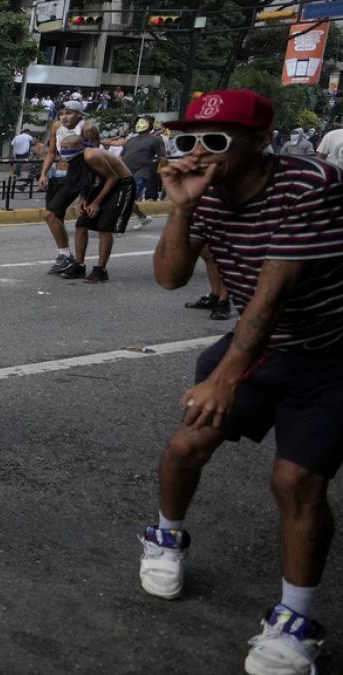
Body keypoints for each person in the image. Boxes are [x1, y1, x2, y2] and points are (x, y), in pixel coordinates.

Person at [140, 89, 343, 675]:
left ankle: (296, 621)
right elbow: (172, 278)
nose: (199, 152)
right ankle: (166, 536)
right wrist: (180, 207)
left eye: (218, 140)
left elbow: (272, 295)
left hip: (329, 353)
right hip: (261, 347)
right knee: (186, 446)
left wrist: (226, 379)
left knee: (297, 480)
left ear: (260, 142)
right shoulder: (204, 195)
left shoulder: (309, 186)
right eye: (190, 140)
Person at [52, 134, 135, 282]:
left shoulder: (91, 156)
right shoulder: (77, 158)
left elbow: (113, 178)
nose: (64, 151)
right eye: (62, 147)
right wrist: (83, 198)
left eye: (67, 148)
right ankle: (79, 265)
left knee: (105, 227)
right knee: (81, 224)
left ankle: (100, 270)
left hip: (121, 184)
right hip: (105, 185)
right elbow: (87, 179)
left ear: (78, 146)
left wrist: (96, 202)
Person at [39, 100, 95, 276]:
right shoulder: (56, 126)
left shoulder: (87, 129)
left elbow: (94, 158)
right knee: (57, 218)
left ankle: (66, 256)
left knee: (50, 214)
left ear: (79, 114)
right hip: (58, 175)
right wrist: (44, 173)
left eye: (69, 113)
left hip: (77, 176)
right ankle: (64, 256)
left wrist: (85, 193)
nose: (64, 117)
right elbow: (51, 153)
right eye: (62, 113)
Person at [104, 116, 166, 230]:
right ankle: (143, 217)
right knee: (125, 198)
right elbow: (121, 157)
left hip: (142, 173)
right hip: (125, 173)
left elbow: (163, 157)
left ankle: (118, 224)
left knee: (127, 198)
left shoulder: (156, 140)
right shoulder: (130, 140)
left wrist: (167, 173)